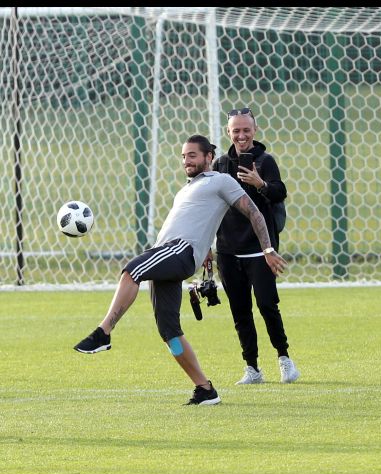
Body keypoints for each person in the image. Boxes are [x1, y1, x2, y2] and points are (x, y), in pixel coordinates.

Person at [74, 135, 287, 405]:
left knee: (131, 271)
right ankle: (205, 389)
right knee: (169, 332)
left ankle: (103, 332)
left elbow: (254, 212)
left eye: (193, 155)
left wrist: (267, 249)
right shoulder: (187, 189)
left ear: (209, 157)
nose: (187, 160)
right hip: (170, 254)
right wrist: (207, 252)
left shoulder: (221, 180)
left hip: (179, 250)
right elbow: (203, 220)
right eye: (184, 156)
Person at [211, 107, 299, 385]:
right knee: (240, 310)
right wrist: (208, 248)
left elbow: (279, 192)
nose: (241, 135)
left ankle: (285, 359)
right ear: (228, 133)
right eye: (236, 130)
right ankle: (252, 367)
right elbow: (212, 206)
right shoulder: (221, 164)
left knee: (267, 305)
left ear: (255, 131)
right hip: (228, 250)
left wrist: (260, 183)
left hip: (261, 250)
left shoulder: (266, 160)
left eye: (246, 129)